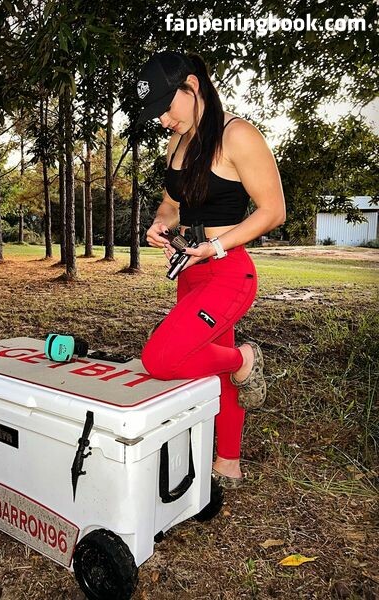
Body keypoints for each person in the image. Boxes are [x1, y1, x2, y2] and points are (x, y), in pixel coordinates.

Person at [136, 51, 286, 487]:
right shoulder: (178, 142)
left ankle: (244, 359)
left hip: (228, 270)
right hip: (190, 269)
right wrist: (160, 223)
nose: (163, 120)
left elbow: (273, 211)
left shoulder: (238, 135)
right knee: (210, 363)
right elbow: (172, 203)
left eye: (167, 106)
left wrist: (215, 245)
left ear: (193, 86)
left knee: (161, 358)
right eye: (157, 113)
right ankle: (228, 463)